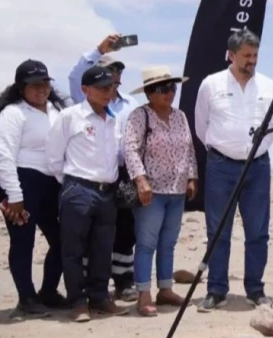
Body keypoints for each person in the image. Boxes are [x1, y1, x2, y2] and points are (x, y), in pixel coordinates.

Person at [194, 27, 273, 311]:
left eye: (255, 55)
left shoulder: (268, 85)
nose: (251, 60)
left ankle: (255, 289)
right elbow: (201, 126)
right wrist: (224, 150)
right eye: (246, 56)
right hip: (221, 167)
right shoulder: (211, 84)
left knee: (258, 232)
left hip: (258, 168)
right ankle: (216, 290)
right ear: (231, 55)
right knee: (218, 230)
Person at [46, 65, 129, 322]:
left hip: (108, 193)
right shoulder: (70, 116)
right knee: (73, 250)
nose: (109, 93)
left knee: (103, 248)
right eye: (103, 88)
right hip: (79, 189)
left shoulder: (114, 118)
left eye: (112, 87)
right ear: (85, 89)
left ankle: (100, 297)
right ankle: (78, 302)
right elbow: (53, 158)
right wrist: (73, 184)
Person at [0, 60, 70, 317]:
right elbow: (4, 155)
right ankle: (26, 298)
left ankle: (48, 292)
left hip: (51, 183)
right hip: (20, 182)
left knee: (61, 240)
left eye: (45, 83)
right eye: (34, 85)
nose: (41, 89)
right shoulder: (13, 113)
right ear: (21, 87)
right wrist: (14, 196)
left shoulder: (56, 110)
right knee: (23, 242)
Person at [68, 34, 139, 301]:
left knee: (124, 228)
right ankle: (89, 286)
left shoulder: (131, 103)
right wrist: (99, 50)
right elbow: (76, 76)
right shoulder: (84, 97)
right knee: (90, 231)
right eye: (110, 69)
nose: (115, 73)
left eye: (119, 69)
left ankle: (123, 280)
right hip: (90, 172)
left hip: (121, 171)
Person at [125, 66, 198, 316]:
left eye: (172, 88)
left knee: (168, 242)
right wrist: (140, 180)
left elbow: (189, 149)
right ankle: (143, 293)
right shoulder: (139, 116)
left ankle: (165, 288)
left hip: (176, 191)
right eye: (163, 89)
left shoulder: (180, 116)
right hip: (151, 191)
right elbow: (130, 149)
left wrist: (192, 176)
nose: (169, 93)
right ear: (149, 93)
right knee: (146, 243)